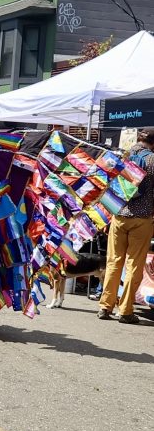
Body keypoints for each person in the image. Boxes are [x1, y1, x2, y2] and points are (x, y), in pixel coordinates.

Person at [97, 130, 154, 324]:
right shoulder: (153, 160)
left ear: (139, 139)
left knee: (113, 262)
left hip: (119, 214)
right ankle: (126, 310)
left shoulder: (123, 155)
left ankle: (105, 306)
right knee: (134, 265)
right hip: (142, 218)